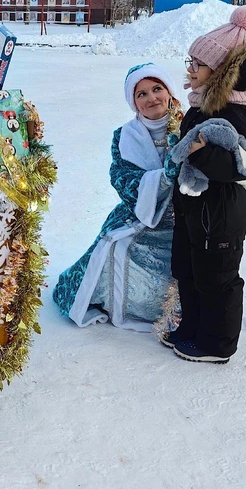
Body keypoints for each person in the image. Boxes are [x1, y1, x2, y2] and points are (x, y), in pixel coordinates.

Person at [162, 6, 246, 364]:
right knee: (190, 272)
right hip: (196, 211)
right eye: (190, 61)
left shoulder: (238, 114)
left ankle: (217, 343)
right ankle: (193, 328)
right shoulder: (203, 105)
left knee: (217, 279)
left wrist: (199, 153)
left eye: (198, 64)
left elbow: (243, 165)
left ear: (222, 73)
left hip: (221, 213)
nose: (189, 69)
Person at [52, 63, 183, 334]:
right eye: (141, 94)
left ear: (169, 92)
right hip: (141, 215)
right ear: (134, 102)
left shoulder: (188, 124)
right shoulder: (124, 136)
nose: (151, 98)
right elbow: (122, 179)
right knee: (113, 249)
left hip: (185, 220)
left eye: (157, 89)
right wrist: (165, 175)